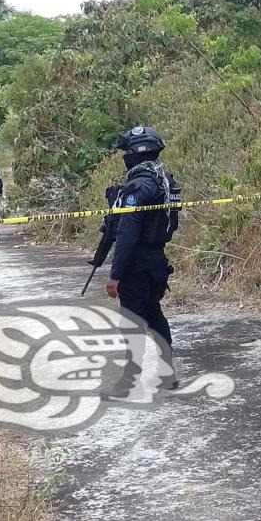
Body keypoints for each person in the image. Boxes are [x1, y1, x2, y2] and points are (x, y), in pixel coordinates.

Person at [106, 126, 180, 370]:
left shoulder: (139, 186)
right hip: (157, 259)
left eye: (127, 150)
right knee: (153, 315)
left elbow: (127, 232)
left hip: (137, 263)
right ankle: (167, 373)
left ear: (138, 152)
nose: (125, 155)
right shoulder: (163, 179)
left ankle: (129, 379)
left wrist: (115, 275)